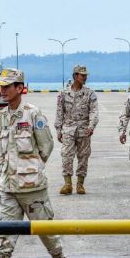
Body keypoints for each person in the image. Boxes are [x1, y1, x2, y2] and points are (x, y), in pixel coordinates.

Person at [0, 68, 71, 258]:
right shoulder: (3, 116)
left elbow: (46, 145)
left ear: (20, 88)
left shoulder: (33, 114)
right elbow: (2, 151)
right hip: (9, 186)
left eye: (7, 86)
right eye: (1, 87)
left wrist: (32, 169)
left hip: (32, 187)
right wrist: (3, 177)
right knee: (4, 230)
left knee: (44, 229)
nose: (2, 90)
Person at [54, 64, 98, 195]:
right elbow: (59, 112)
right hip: (68, 129)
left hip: (84, 130)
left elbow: (94, 111)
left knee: (83, 157)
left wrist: (91, 126)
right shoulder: (64, 93)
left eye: (85, 75)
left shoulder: (90, 93)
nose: (84, 77)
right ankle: (67, 184)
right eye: (82, 75)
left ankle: (80, 184)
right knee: (66, 155)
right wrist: (58, 130)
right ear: (75, 76)